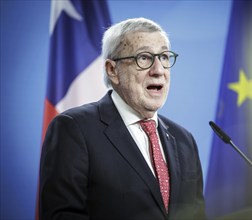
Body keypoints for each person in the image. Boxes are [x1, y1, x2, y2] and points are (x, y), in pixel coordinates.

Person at [39, 17, 206, 220]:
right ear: (112, 70)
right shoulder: (74, 129)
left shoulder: (184, 140)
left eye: (163, 57)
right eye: (144, 58)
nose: (159, 70)